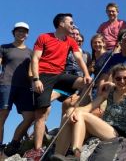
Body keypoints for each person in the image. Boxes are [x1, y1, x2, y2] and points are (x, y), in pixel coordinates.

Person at [25, 13, 92, 159]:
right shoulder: (44, 37)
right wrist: (36, 79)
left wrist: (86, 74)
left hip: (60, 75)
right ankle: (37, 150)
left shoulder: (70, 41)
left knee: (86, 82)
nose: (73, 25)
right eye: (71, 22)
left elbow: (79, 58)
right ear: (61, 24)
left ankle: (81, 112)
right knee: (41, 113)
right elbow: (35, 58)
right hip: (43, 76)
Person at [53, 64, 126, 159]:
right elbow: (88, 107)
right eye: (118, 78)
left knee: (79, 115)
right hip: (101, 128)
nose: (122, 81)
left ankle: (75, 155)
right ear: (113, 79)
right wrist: (71, 110)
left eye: (125, 78)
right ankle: (58, 156)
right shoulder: (110, 92)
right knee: (68, 117)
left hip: (117, 133)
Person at [0, 22, 34, 157]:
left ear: (27, 34)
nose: (21, 33)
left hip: (25, 87)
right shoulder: (4, 48)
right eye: (19, 31)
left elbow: (32, 71)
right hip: (6, 84)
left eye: (24, 31)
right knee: (2, 117)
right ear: (14, 32)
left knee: (30, 117)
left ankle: (14, 143)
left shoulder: (31, 52)